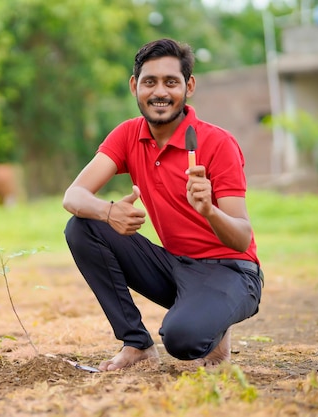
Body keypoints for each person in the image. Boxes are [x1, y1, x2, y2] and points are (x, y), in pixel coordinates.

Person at [62, 38, 263, 372]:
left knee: (183, 340)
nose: (160, 92)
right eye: (149, 82)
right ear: (134, 86)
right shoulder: (128, 135)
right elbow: (74, 196)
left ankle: (213, 319)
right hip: (175, 266)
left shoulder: (217, 143)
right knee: (83, 227)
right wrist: (109, 211)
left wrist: (209, 211)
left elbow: (242, 239)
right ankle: (137, 344)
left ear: (189, 86)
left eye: (171, 82)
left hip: (232, 272)